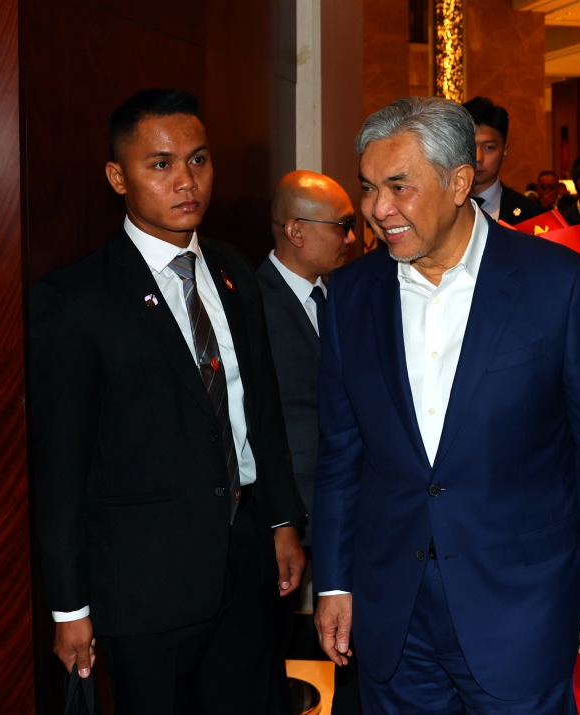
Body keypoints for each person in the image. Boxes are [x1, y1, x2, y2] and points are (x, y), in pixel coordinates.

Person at [312, 96, 580, 714]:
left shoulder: (558, 283)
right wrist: (333, 581)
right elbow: (341, 455)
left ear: (460, 182)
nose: (379, 210)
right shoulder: (352, 294)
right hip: (392, 607)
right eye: (369, 188)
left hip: (522, 604)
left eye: (399, 187)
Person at [29, 89, 306, 712]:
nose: (186, 181)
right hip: (147, 585)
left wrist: (283, 521)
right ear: (117, 177)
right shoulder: (76, 302)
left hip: (246, 564)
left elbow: (259, 411)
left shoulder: (235, 271)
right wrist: (70, 608)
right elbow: (61, 471)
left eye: (199, 160)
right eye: (161, 165)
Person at [257, 170, 358, 713]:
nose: (351, 237)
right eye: (341, 225)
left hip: (341, 504)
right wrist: (281, 521)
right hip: (290, 510)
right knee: (272, 648)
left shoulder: (340, 294)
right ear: (295, 230)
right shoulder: (254, 303)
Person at [462, 96, 543, 225]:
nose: (478, 158)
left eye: (489, 147)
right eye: (470, 146)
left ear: (504, 151)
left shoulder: (532, 215)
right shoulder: (437, 207)